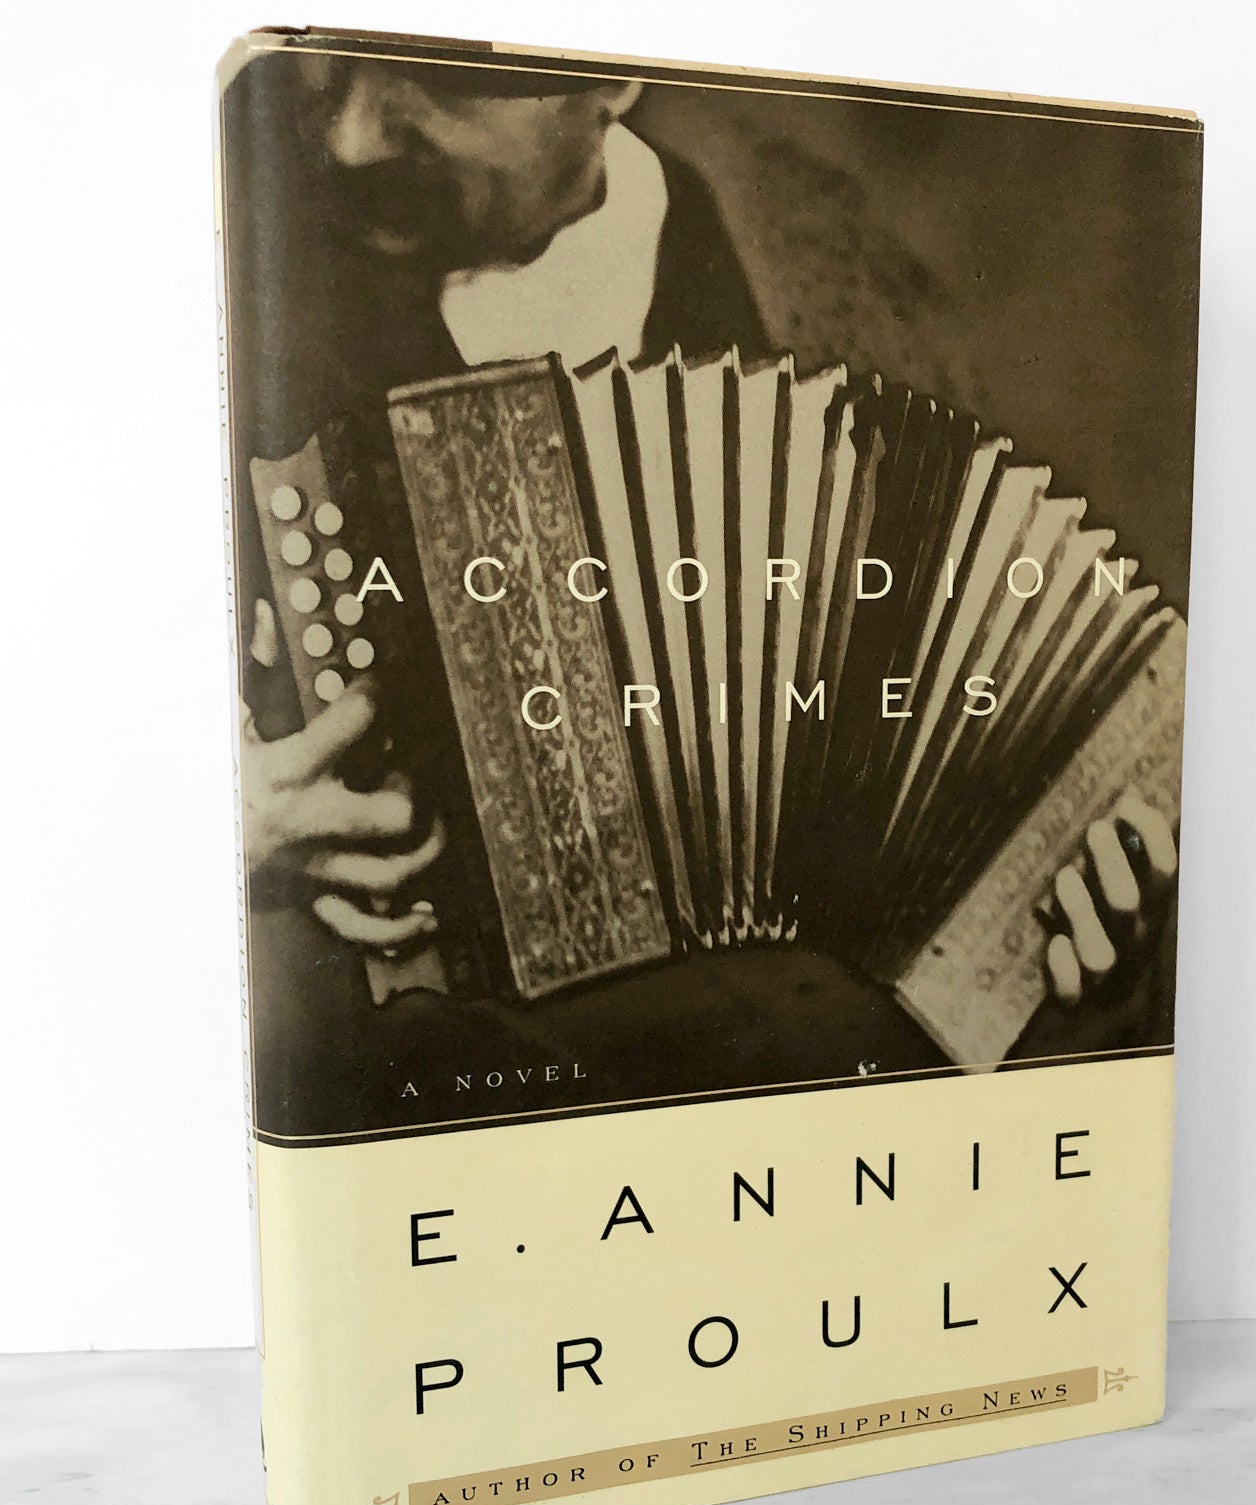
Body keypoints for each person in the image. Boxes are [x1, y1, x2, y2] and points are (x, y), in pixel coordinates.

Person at [225, 51, 1178, 1136]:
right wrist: (229, 821)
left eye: (439, 86)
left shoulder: (828, 266)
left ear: (612, 78)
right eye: (330, 76)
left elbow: (983, 712)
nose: (351, 139)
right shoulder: (239, 272)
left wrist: (1061, 900)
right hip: (424, 1104)